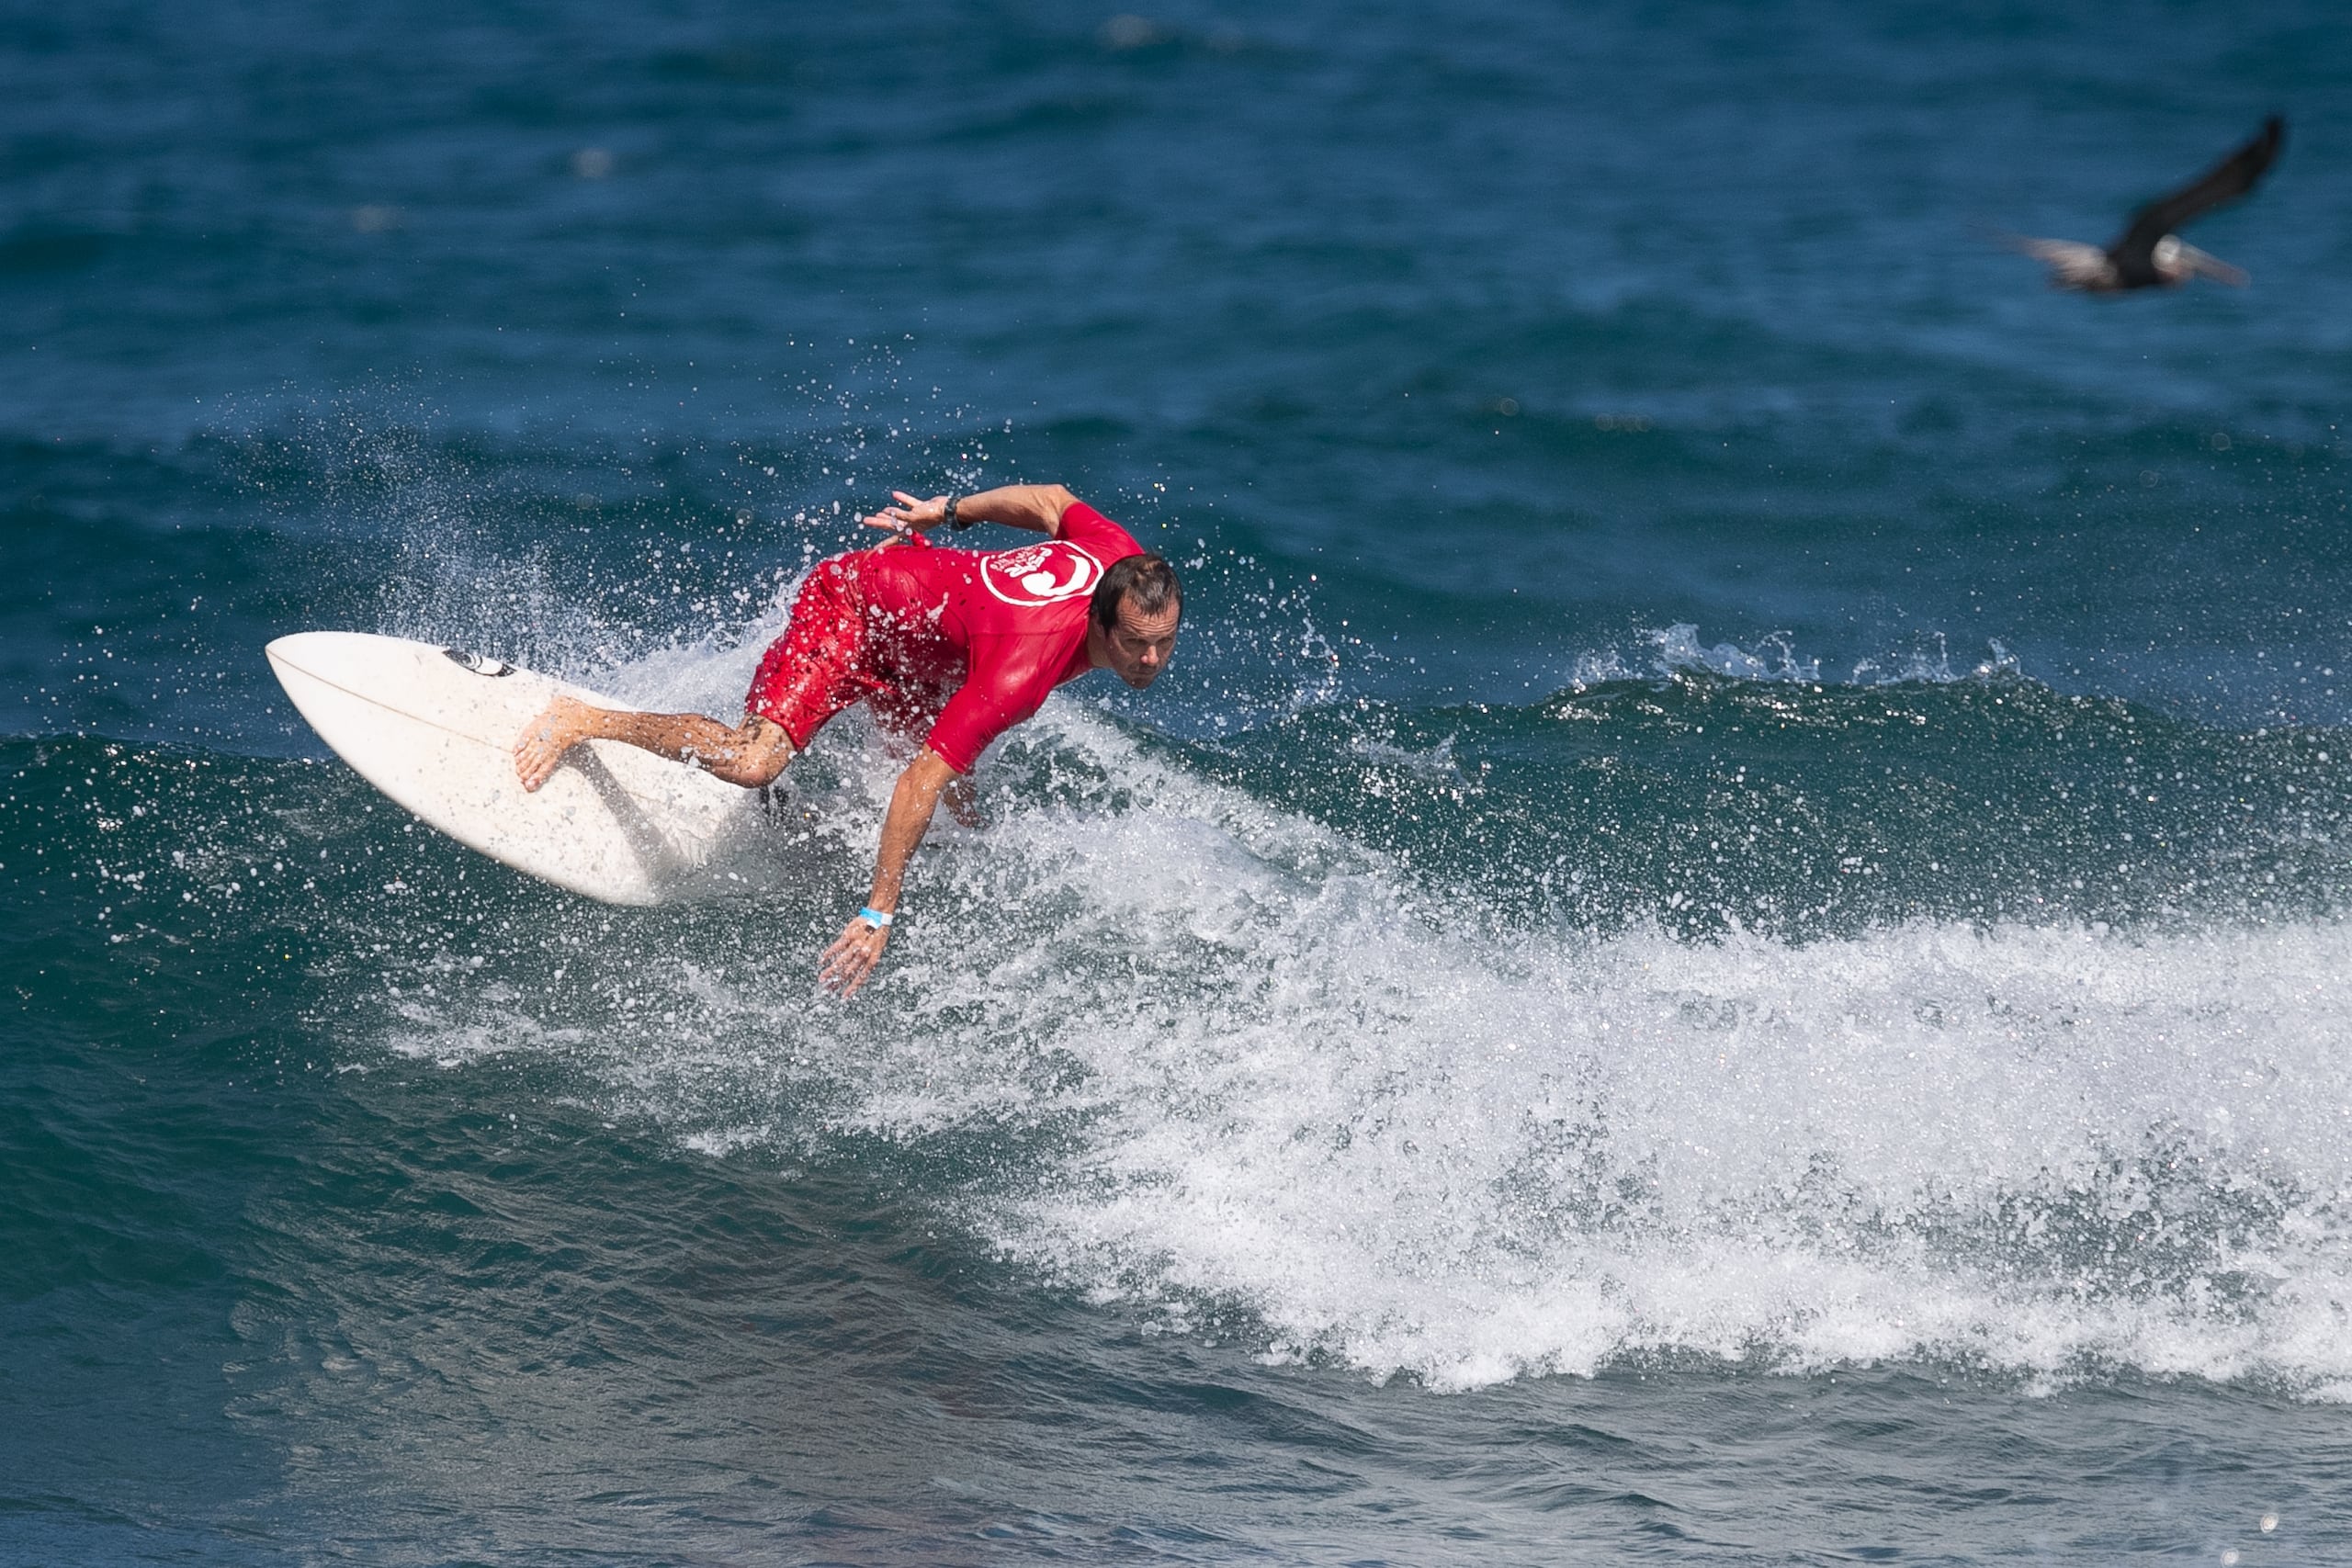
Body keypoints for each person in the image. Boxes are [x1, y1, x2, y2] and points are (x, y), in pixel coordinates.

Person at [511, 484, 1182, 995]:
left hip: (924, 646)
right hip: (858, 610)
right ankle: (585, 718)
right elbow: (919, 777)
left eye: (1164, 642)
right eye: (1135, 644)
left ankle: (785, 822)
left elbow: (1052, 501)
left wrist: (946, 511)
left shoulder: (1122, 559)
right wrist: (877, 912)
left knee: (963, 820)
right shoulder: (1020, 673)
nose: (1151, 661)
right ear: (1100, 618)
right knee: (754, 760)